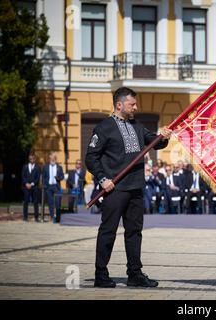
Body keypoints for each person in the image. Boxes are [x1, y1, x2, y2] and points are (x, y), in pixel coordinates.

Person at [85, 87, 172, 288]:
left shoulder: (137, 125)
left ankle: (135, 274)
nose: (136, 107)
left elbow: (154, 142)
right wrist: (102, 178)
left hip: (136, 187)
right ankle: (101, 274)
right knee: (108, 230)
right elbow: (91, 157)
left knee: (134, 232)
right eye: (132, 104)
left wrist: (164, 136)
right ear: (119, 104)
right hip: (115, 188)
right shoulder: (104, 128)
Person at [42, 152, 64, 223]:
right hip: (48, 187)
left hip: (56, 186)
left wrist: (58, 178)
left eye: (53, 158)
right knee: (50, 202)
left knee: (58, 203)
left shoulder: (59, 167)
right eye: (51, 158)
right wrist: (45, 185)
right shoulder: (45, 167)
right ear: (49, 159)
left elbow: (62, 177)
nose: (52, 160)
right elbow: (43, 177)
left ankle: (58, 218)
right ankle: (52, 217)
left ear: (55, 159)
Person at [21, 153, 41, 222]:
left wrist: (32, 184)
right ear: (29, 159)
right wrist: (26, 183)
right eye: (30, 159)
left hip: (34, 187)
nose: (32, 160)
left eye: (33, 158)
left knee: (35, 202)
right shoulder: (25, 166)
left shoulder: (37, 167)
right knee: (26, 202)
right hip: (26, 187)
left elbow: (37, 178)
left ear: (35, 159)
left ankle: (36, 217)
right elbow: (23, 176)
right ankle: (25, 217)